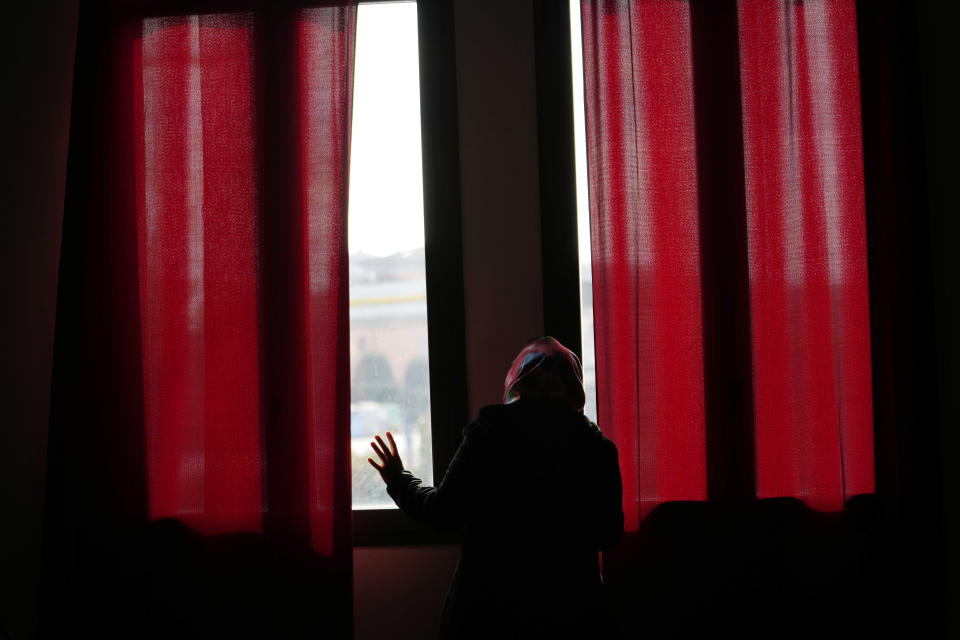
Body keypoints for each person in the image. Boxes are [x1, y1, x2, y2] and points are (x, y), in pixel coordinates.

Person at [368, 336, 624, 639]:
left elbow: (441, 513)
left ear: (517, 384)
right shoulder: (598, 449)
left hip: (485, 612)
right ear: (575, 390)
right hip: (571, 615)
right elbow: (609, 533)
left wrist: (399, 479)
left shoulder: (488, 435)